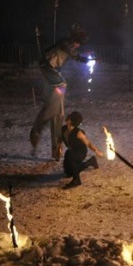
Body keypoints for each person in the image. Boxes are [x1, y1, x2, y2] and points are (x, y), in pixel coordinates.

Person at [29, 26, 89, 160]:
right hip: (47, 67)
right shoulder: (66, 43)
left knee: (59, 112)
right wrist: (81, 58)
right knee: (62, 84)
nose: (78, 46)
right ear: (75, 40)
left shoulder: (67, 44)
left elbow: (65, 52)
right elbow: (71, 52)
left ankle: (55, 148)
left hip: (50, 68)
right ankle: (52, 104)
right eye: (78, 43)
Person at [60, 111, 104, 188]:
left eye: (69, 117)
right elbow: (60, 140)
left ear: (71, 121)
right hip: (71, 151)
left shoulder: (78, 132)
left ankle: (76, 180)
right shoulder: (63, 129)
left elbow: (88, 143)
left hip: (80, 152)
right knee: (69, 173)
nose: (67, 117)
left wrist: (96, 151)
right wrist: (59, 148)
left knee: (70, 155)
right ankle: (90, 161)